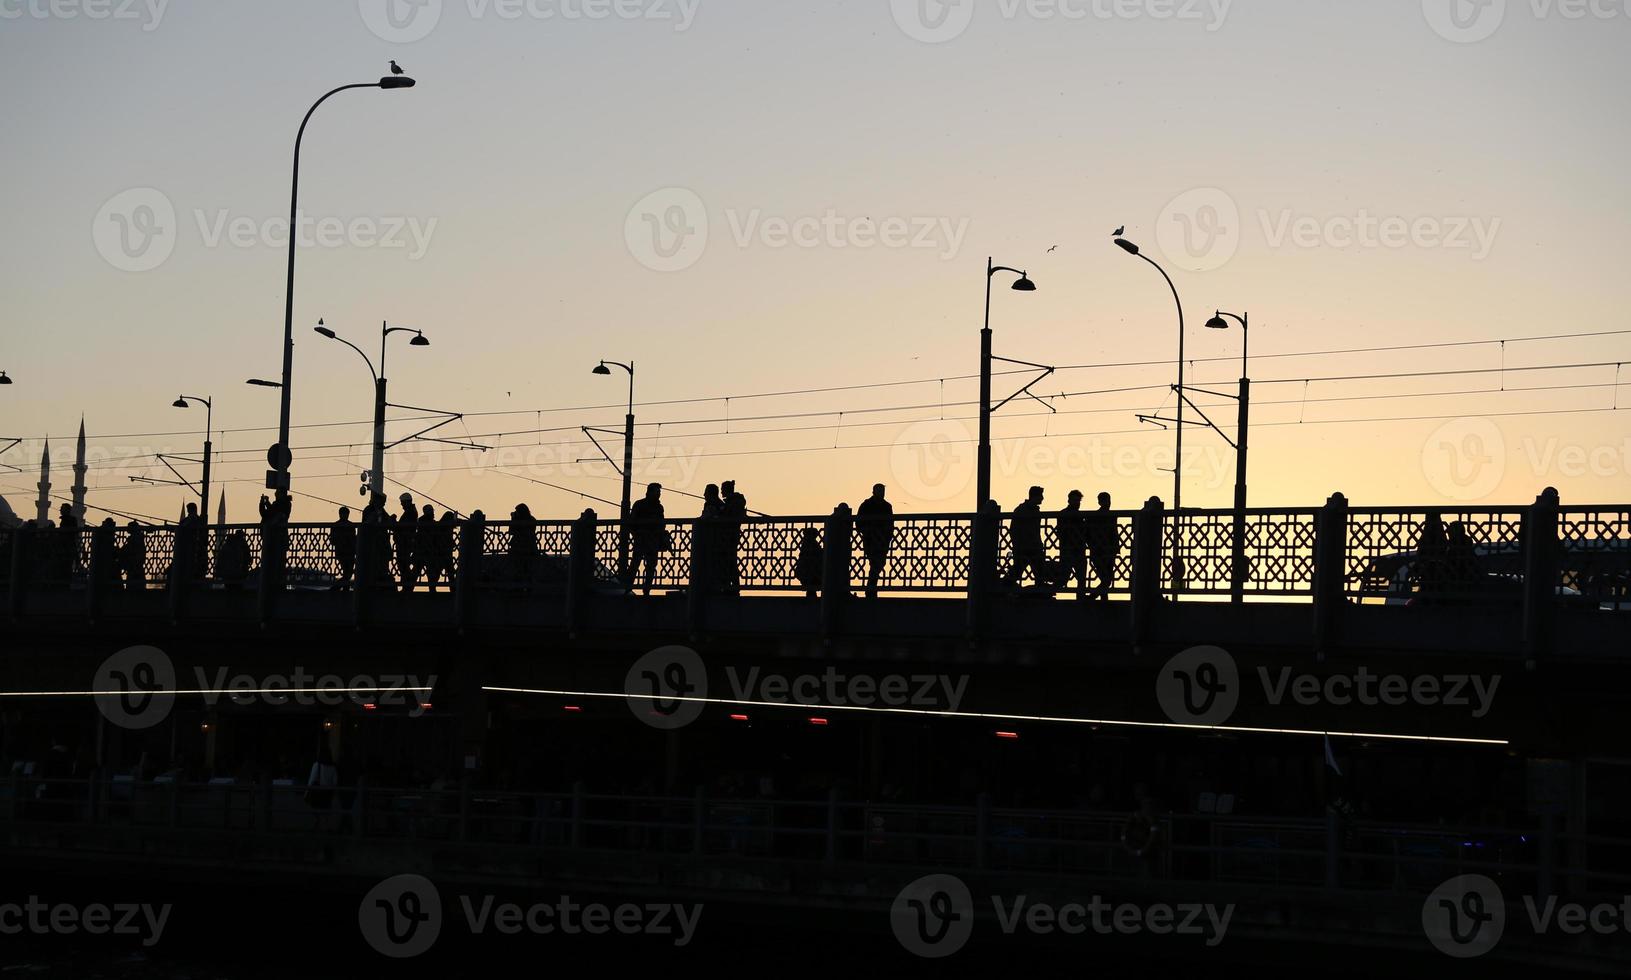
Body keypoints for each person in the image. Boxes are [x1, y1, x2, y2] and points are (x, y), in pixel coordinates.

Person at [628, 483, 669, 596]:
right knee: (636, 564)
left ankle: (645, 589)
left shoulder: (658, 507)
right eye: (657, 492)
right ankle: (629, 587)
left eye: (659, 492)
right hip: (642, 539)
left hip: (652, 540)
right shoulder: (640, 504)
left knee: (650, 565)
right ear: (650, 492)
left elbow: (662, 524)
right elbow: (632, 522)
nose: (659, 494)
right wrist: (637, 534)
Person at [1003, 486, 1047, 588]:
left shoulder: (1024, 509)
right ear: (1035, 496)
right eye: (1041, 496)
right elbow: (1014, 529)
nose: (1042, 498)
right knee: (1025, 568)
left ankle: (1008, 585)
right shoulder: (1023, 510)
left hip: (1030, 546)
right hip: (1026, 546)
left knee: (1033, 568)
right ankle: (1007, 585)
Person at [857, 483, 895, 599]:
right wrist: (869, 531)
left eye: (883, 491)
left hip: (882, 541)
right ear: (874, 491)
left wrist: (887, 537)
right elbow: (859, 523)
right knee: (876, 563)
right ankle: (871, 589)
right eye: (880, 491)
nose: (882, 493)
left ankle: (871, 589)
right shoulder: (867, 505)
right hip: (872, 540)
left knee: (878, 564)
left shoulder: (886, 506)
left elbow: (890, 525)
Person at [1055, 490, 1090, 600]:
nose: (1077, 503)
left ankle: (1081, 597)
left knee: (1080, 577)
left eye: (1078, 501)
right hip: (1068, 550)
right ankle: (1048, 592)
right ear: (1069, 500)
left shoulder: (1079, 515)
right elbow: (1061, 532)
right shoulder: (1064, 514)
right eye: (1075, 500)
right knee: (1064, 577)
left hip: (1078, 550)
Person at [1086, 492, 1119, 601]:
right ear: (1100, 502)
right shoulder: (1095, 517)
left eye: (1108, 500)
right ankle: (1093, 598)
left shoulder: (1106, 516)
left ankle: (1101, 599)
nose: (1108, 503)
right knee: (1106, 579)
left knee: (1106, 579)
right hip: (1101, 551)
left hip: (1106, 551)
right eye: (1105, 501)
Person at [721, 480, 746, 595]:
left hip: (729, 536)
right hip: (733, 536)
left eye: (722, 489)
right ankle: (732, 587)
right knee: (730, 561)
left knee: (729, 561)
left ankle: (732, 587)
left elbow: (728, 516)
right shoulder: (736, 502)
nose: (721, 491)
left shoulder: (732, 503)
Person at [395, 493, 418, 592]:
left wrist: (394, 522)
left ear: (407, 502)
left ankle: (407, 586)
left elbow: (403, 527)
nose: (401, 505)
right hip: (406, 542)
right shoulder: (411, 512)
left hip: (405, 543)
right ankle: (407, 585)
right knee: (404, 565)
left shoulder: (410, 513)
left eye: (402, 503)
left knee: (403, 565)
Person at [329, 506, 356, 591]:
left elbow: (332, 540)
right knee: (347, 573)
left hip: (346, 552)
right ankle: (338, 588)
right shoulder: (350, 525)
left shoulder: (336, 525)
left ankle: (340, 588)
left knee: (347, 573)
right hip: (345, 552)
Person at [509, 503, 537, 586]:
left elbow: (511, 531)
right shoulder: (532, 519)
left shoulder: (517, 520)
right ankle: (527, 586)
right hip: (529, 548)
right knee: (527, 570)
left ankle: (519, 586)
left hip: (519, 548)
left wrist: (513, 519)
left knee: (519, 570)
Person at [795, 527, 824, 598]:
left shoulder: (806, 543)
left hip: (808, 571)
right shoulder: (811, 543)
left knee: (811, 589)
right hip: (811, 572)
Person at [120, 521, 147, 591]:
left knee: (133, 588)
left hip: (134, 568)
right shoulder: (138, 539)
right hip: (136, 568)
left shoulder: (135, 540)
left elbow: (127, 550)